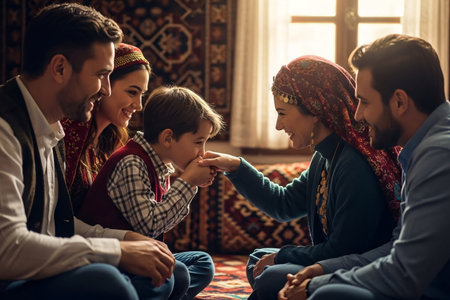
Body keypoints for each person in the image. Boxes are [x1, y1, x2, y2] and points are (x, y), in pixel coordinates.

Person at [0, 3, 176, 300]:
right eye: (101, 74)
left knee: (169, 272)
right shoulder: (5, 128)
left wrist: (126, 240)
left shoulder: (49, 128)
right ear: (60, 68)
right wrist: (116, 252)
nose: (106, 89)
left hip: (33, 274)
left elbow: (59, 225)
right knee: (105, 281)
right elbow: (7, 249)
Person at [199, 55, 402, 300]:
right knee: (259, 260)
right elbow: (283, 205)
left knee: (273, 275)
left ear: (315, 110)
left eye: (282, 113)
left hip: (357, 271)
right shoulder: (324, 155)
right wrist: (235, 167)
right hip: (334, 261)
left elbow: (344, 250)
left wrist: (282, 256)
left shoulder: (353, 165)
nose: (278, 125)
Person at [278, 34, 450, 300]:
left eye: (365, 102)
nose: (357, 114)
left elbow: (404, 273)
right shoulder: (420, 149)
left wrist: (317, 284)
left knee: (330, 295)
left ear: (399, 102)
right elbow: (397, 247)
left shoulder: (439, 155)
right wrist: (324, 268)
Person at [77, 86, 225, 299]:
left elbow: (162, 221)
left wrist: (190, 184)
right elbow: (149, 225)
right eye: (198, 142)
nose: (202, 152)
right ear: (167, 138)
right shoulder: (132, 162)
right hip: (112, 259)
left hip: (140, 257)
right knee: (175, 273)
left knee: (201, 263)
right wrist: (188, 182)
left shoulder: (160, 166)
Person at [62, 42, 150, 214]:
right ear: (105, 84)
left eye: (142, 94)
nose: (139, 105)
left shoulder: (112, 145)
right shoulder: (66, 137)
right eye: (132, 92)